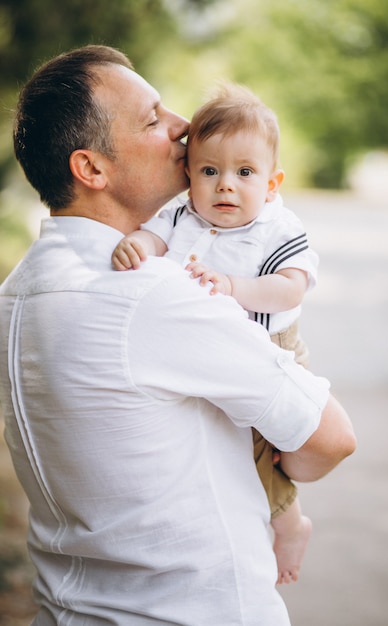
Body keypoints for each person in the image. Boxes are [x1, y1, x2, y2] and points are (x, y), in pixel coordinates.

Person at [0, 45, 356, 626]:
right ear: (91, 169)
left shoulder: (17, 291)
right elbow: (331, 440)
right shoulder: (152, 292)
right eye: (153, 118)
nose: (184, 127)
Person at [112, 84, 316, 584]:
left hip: (270, 349)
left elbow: (291, 289)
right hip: (208, 353)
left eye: (245, 173)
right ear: (188, 176)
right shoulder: (180, 215)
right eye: (210, 171)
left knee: (259, 453)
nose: (226, 186)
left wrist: (235, 287)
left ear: (271, 183)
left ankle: (289, 523)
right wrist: (134, 244)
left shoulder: (276, 227)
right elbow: (152, 237)